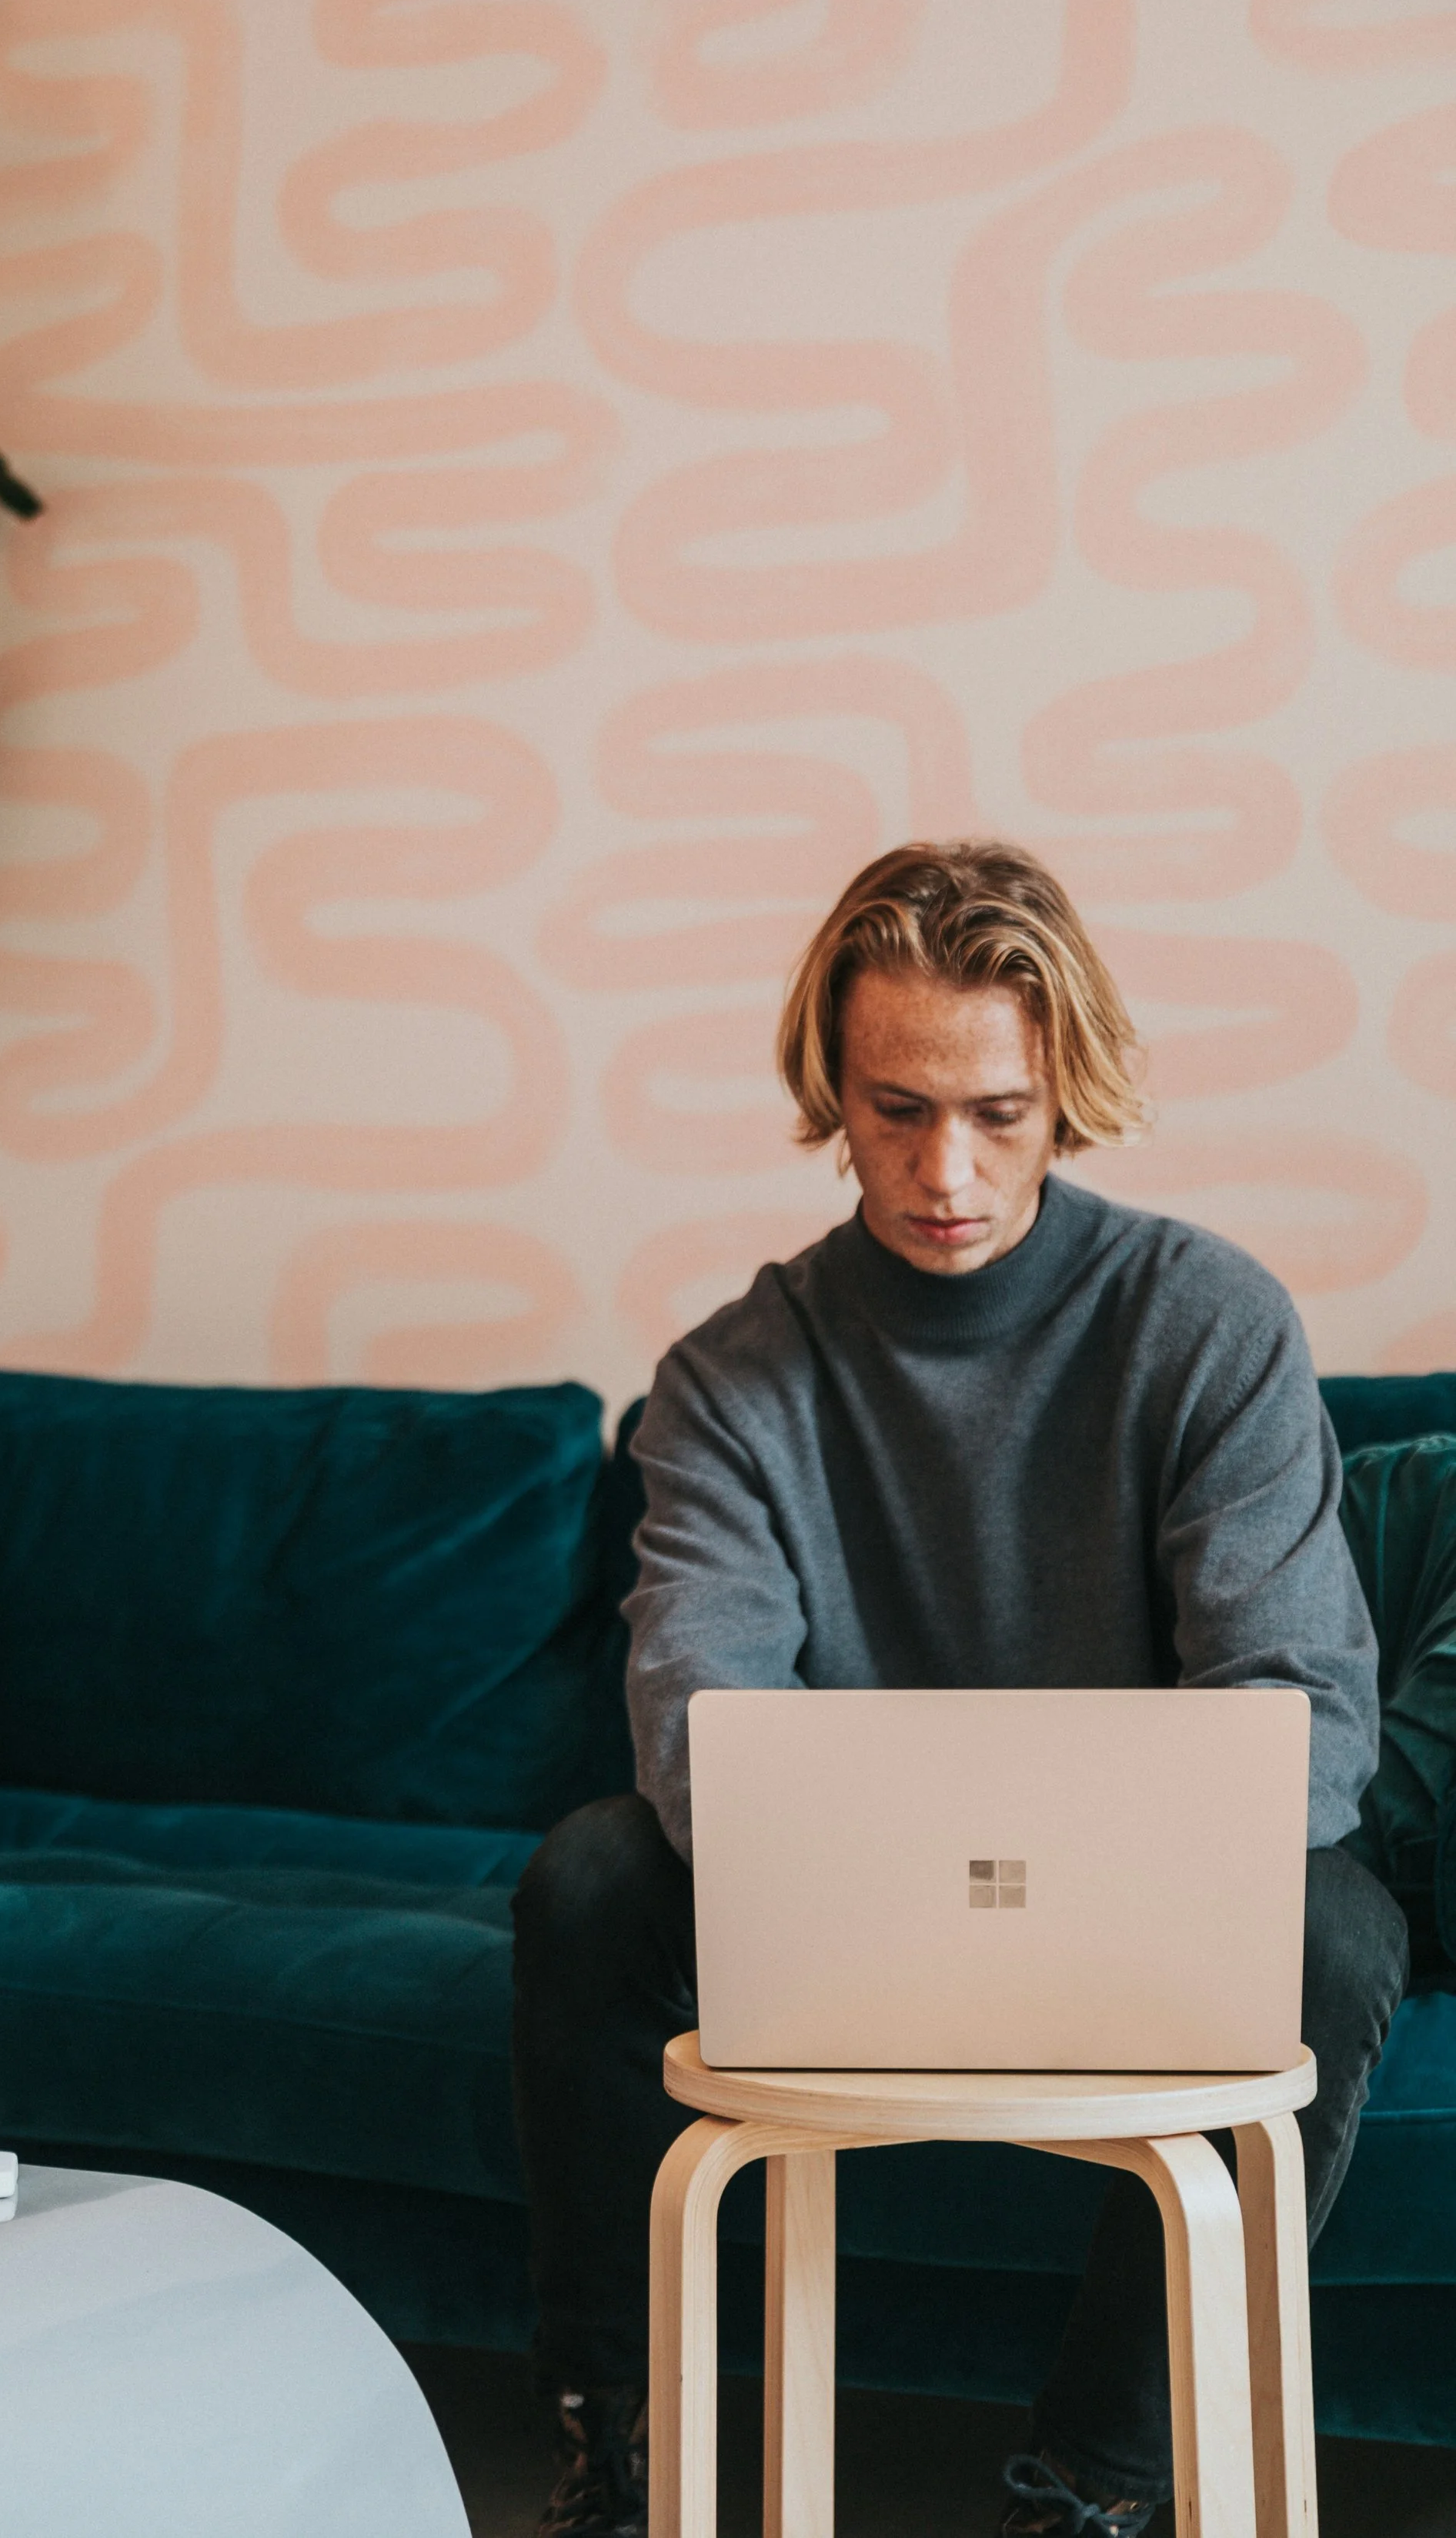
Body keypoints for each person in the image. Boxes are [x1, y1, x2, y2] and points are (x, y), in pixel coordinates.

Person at [512, 840, 1407, 2538]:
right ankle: (607, 2441)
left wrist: (1062, 1862)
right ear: (831, 1095)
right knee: (589, 1875)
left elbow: (1302, 1715)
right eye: (897, 1109)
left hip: (1140, 1910)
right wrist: (911, 1860)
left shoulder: (1208, 1324)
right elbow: (695, 1728)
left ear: (1065, 1094)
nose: (945, 1170)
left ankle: (1089, 2490)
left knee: (1341, 1931)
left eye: (998, 1113)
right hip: (822, 1903)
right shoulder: (731, 1378)